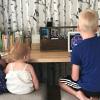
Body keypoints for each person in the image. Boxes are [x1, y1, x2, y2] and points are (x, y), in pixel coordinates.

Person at [59, 9, 100, 100]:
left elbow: (75, 77)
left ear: (78, 28)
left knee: (61, 81)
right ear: (97, 28)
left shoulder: (77, 49)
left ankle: (79, 95)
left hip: (87, 90)